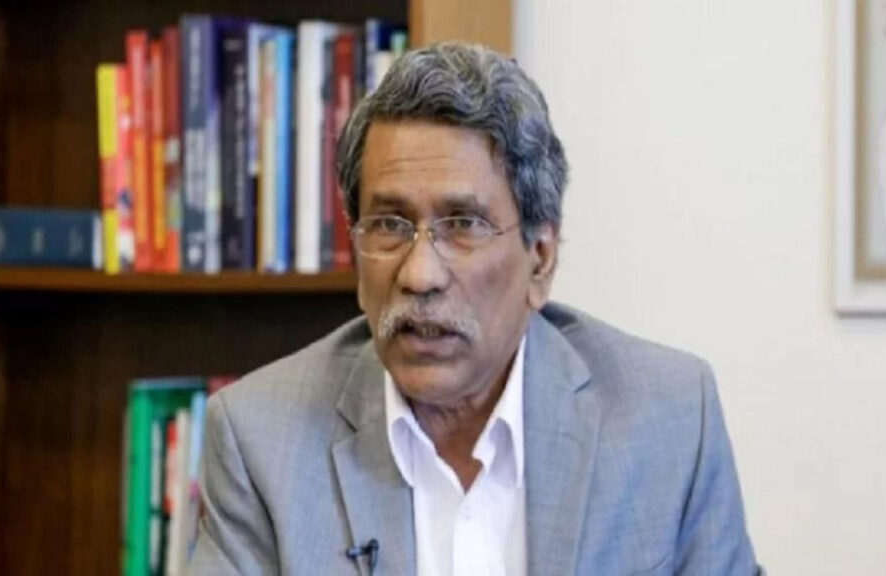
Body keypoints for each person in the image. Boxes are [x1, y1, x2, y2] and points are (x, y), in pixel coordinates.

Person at [190, 43, 762, 575]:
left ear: (539, 260)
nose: (419, 274)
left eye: (463, 225)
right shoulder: (259, 440)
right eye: (389, 225)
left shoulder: (670, 421)